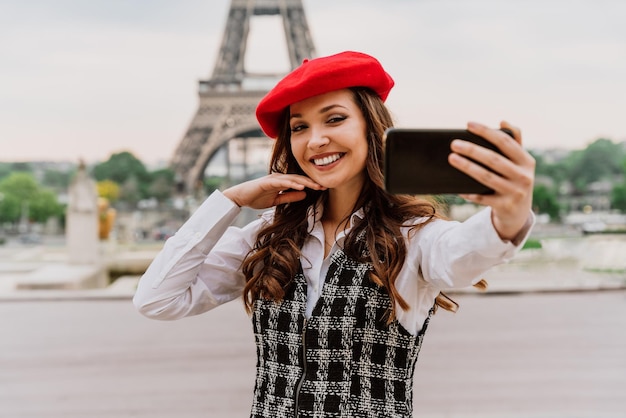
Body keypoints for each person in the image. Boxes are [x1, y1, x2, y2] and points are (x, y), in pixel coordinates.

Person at [133, 50, 535, 417]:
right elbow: (157, 299)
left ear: (371, 127)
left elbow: (466, 253)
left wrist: (509, 213)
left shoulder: (413, 238)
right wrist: (231, 201)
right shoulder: (269, 236)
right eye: (299, 127)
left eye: (335, 118)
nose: (316, 139)